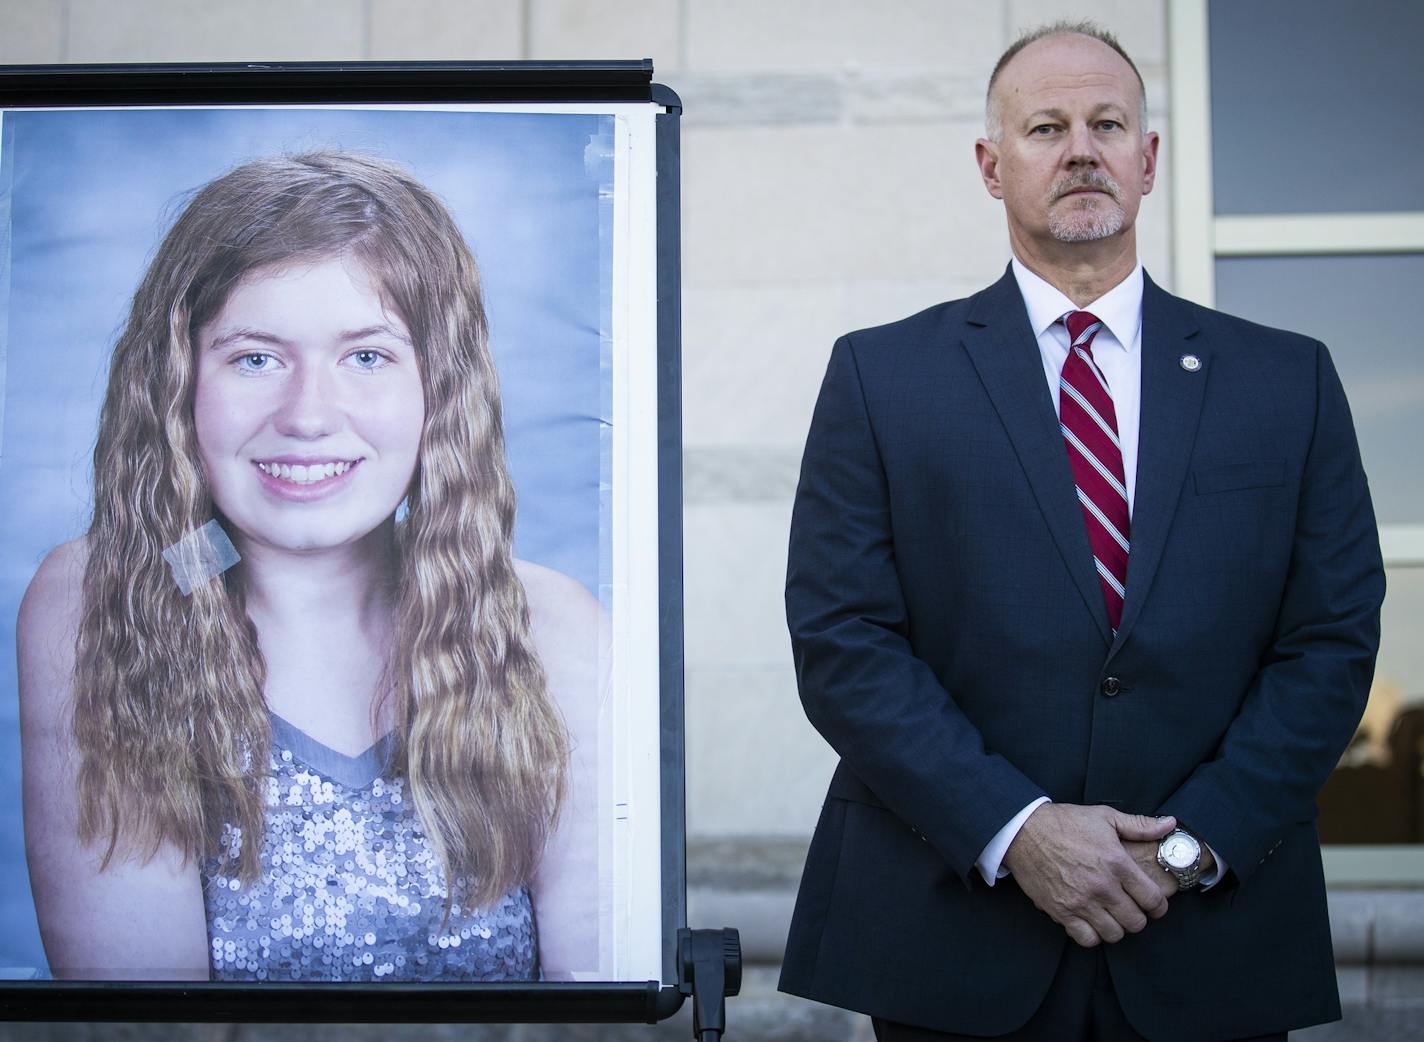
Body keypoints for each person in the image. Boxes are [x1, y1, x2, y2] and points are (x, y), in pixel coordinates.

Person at [779, 21, 1384, 1042]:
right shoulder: (880, 378)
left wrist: (1191, 846)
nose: (1079, 150)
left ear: (1147, 158)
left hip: (1209, 934)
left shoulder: (1288, 381)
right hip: (957, 943)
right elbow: (844, 642)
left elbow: (1327, 640)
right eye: (1044, 127)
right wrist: (1015, 832)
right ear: (990, 164)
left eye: (1106, 123)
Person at [17, 151, 602, 982]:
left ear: (441, 387)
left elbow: (599, 1000)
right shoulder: (104, 596)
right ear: (176, 384)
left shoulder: (548, 623)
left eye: (367, 356)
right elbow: (144, 1017)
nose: (308, 417)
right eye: (256, 358)